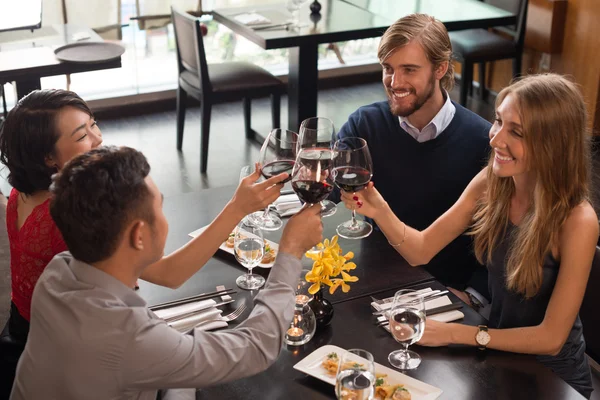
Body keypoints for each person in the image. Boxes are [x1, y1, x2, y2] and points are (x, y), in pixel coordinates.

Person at [0, 89, 287, 397]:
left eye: (93, 124)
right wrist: (237, 209)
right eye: (82, 134)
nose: (97, 138)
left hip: (29, 337)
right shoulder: (65, 214)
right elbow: (169, 275)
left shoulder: (25, 196)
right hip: (65, 349)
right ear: (49, 158)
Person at [340, 74, 595, 398]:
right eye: (498, 121)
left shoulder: (578, 219)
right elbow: (421, 250)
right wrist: (380, 210)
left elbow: (551, 338)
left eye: (515, 132)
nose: (495, 139)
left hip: (553, 381)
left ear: (552, 143)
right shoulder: (492, 183)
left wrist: (455, 334)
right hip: (499, 358)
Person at [334, 14, 492, 308]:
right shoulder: (364, 125)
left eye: (409, 69)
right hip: (375, 281)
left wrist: (474, 295)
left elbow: (501, 237)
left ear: (440, 69)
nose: (395, 82)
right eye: (388, 69)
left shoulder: (484, 141)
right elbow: (330, 190)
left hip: (445, 291)